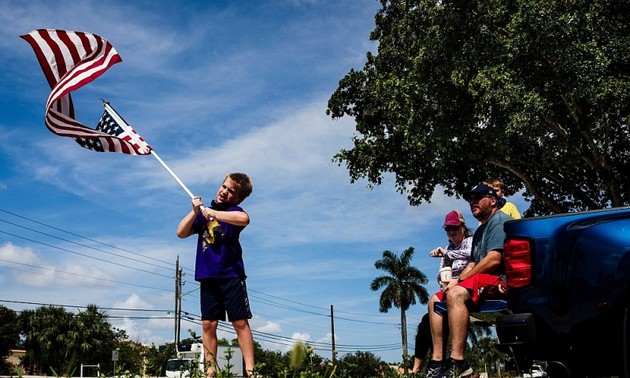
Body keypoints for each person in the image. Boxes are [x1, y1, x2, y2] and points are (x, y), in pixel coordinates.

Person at [425, 184, 512, 378]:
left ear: (493, 200)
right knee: (435, 299)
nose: (472, 201)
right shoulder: (481, 231)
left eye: (478, 197)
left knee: (455, 293)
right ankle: (437, 362)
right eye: (470, 198)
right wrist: (455, 279)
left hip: (500, 280)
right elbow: (473, 263)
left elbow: (494, 259)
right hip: (481, 280)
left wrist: (460, 280)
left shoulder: (499, 221)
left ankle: (458, 361)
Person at [176, 173, 256, 377]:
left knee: (240, 322)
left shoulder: (234, 212)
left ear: (238, 198)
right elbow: (181, 232)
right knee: (208, 324)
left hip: (231, 275)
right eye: (224, 187)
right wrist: (195, 212)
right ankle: (210, 371)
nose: (224, 192)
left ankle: (250, 370)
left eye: (231, 191)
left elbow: (244, 219)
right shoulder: (203, 214)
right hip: (208, 276)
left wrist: (212, 213)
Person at [412, 210, 473, 374]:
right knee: (433, 302)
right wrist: (441, 281)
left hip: (468, 284)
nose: (452, 232)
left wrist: (445, 253)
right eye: (448, 229)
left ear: (463, 227)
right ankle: (437, 360)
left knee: (450, 298)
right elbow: (442, 271)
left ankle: (455, 356)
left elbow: (470, 255)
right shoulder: (448, 248)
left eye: (455, 227)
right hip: (450, 287)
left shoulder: (470, 242)